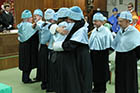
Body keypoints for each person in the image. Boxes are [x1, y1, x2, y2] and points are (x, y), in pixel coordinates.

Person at [52, 6, 93, 93]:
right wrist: (56, 28)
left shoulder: (81, 29)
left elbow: (71, 45)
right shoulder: (76, 24)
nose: (67, 21)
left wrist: (56, 45)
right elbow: (49, 25)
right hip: (75, 55)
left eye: (69, 19)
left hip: (81, 57)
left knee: (81, 79)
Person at [112, 11, 140, 93]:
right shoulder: (120, 32)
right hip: (120, 59)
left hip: (130, 60)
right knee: (119, 80)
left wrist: (133, 58)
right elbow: (115, 44)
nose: (119, 23)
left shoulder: (134, 32)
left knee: (129, 81)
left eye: (121, 21)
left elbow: (138, 49)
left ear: (127, 21)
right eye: (118, 21)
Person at [89, 12, 113, 93]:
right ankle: (96, 87)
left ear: (101, 21)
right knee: (94, 72)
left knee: (102, 72)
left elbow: (110, 44)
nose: (94, 23)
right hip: (93, 53)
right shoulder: (94, 31)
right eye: (93, 21)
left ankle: (102, 88)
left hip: (102, 54)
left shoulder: (106, 31)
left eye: (96, 21)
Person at [17, 10, 39, 83]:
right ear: (28, 18)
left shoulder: (21, 24)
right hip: (29, 47)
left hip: (22, 46)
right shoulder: (30, 26)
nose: (32, 18)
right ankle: (26, 79)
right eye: (31, 17)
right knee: (28, 63)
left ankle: (24, 78)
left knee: (24, 63)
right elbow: (36, 34)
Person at [33, 9, 44, 82]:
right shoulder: (38, 23)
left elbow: (38, 27)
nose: (34, 17)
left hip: (42, 44)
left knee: (41, 62)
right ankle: (38, 76)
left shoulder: (41, 23)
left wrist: (34, 25)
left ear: (40, 16)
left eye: (36, 16)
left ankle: (40, 77)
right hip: (39, 44)